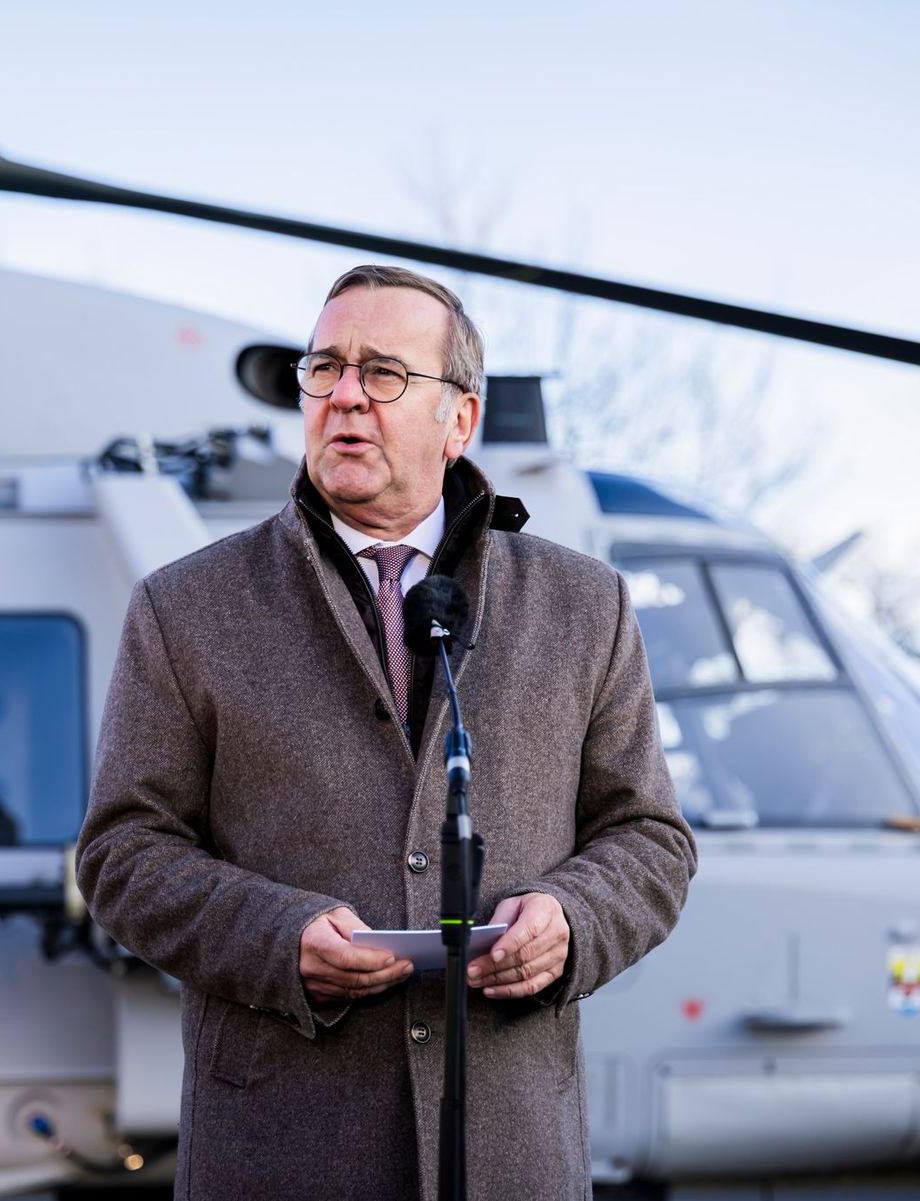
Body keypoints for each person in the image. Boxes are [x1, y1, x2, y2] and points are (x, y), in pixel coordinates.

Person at [75, 264, 698, 1200]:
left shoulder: (584, 605)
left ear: (460, 420)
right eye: (324, 368)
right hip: (280, 1157)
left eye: (383, 372)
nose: (345, 395)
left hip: (511, 1158)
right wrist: (278, 937)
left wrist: (572, 919)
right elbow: (123, 852)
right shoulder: (185, 608)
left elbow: (651, 839)